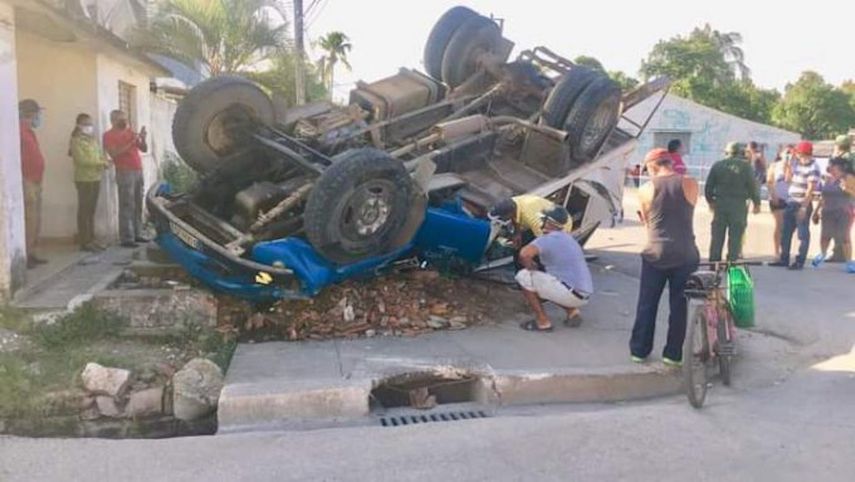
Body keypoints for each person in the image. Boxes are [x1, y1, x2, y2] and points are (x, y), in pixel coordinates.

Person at [630, 148, 700, 366]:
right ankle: (672, 354)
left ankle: (639, 351)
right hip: (686, 252)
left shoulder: (645, 189)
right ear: (670, 162)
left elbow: (647, 222)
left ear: (651, 166)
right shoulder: (690, 183)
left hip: (656, 253)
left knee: (647, 304)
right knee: (679, 306)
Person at [515, 206, 593, 332]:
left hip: (570, 292)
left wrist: (530, 267)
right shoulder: (568, 238)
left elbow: (524, 254)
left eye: (544, 219)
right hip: (583, 293)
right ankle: (572, 311)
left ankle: (543, 322)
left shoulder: (547, 239)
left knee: (524, 276)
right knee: (551, 281)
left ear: (549, 222)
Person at [705, 142, 761, 262]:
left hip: (720, 204)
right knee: (735, 236)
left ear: (726, 152)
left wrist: (710, 201)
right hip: (738, 205)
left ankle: (714, 263)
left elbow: (709, 186)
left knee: (717, 236)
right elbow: (752, 186)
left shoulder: (717, 165)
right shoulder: (746, 167)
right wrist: (757, 203)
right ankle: (731, 263)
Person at [771, 141, 821, 270]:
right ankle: (784, 258)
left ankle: (800, 261)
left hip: (801, 203)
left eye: (797, 153)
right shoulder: (796, 164)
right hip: (791, 201)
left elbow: (810, 189)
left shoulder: (813, 167)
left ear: (802, 153)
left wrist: (804, 207)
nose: (796, 155)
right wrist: (788, 163)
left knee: (802, 234)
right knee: (785, 231)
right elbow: (788, 179)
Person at [103, 110, 148, 248]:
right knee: (127, 204)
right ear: (113, 120)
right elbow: (114, 153)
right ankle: (126, 238)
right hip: (124, 171)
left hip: (137, 170)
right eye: (120, 119)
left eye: (125, 119)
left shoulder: (130, 132)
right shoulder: (108, 135)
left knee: (138, 203)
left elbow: (144, 149)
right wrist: (131, 142)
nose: (124, 121)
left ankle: (137, 233)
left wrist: (142, 138)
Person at [69, 113, 109, 252]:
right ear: (79, 125)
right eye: (86, 124)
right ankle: (84, 241)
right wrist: (101, 162)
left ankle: (91, 239)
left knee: (91, 211)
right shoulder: (76, 140)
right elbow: (82, 160)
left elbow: (98, 154)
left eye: (90, 124)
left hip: (95, 178)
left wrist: (104, 161)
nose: (89, 127)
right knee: (84, 211)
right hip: (84, 179)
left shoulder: (92, 140)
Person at [18, 99, 48, 268]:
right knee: (29, 218)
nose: (39, 117)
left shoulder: (29, 132)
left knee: (36, 218)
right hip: (27, 179)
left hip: (36, 179)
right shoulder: (17, 131)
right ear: (29, 114)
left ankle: (32, 251)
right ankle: (25, 254)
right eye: (37, 113)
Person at [489, 194, 574, 247]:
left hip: (561, 225)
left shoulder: (534, 221)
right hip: (541, 213)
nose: (500, 220)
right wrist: (517, 232)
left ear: (509, 214)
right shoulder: (514, 201)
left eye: (501, 218)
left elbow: (545, 243)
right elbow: (516, 215)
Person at [812, 159, 853, 263]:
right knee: (825, 235)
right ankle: (823, 254)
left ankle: (849, 261)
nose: (830, 170)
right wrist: (816, 211)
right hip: (827, 211)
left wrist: (846, 188)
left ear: (840, 169)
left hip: (843, 211)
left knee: (844, 237)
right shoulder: (828, 179)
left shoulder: (848, 178)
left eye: (832, 168)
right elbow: (823, 196)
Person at [766, 151, 790, 258]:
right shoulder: (774, 166)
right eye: (787, 152)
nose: (789, 155)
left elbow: (790, 180)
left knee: (788, 227)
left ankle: (785, 250)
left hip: (790, 199)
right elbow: (769, 181)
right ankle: (776, 251)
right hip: (777, 198)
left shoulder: (793, 166)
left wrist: (788, 165)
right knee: (780, 225)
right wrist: (773, 195)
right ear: (781, 154)